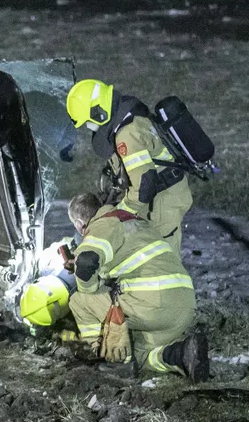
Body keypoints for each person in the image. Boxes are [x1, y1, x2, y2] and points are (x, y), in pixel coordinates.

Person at [66, 192, 209, 381]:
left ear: (78, 224)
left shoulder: (101, 225)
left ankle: (113, 360)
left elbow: (86, 262)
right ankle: (180, 354)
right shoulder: (134, 221)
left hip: (152, 305)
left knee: (79, 299)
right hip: (183, 307)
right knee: (138, 354)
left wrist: (85, 283)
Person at [65, 79, 192, 254]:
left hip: (164, 199)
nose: (90, 128)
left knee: (161, 257)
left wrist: (115, 216)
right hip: (158, 194)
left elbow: (144, 186)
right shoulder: (127, 121)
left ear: (99, 113)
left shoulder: (128, 135)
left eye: (88, 122)